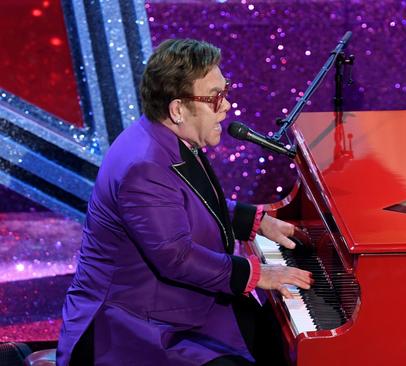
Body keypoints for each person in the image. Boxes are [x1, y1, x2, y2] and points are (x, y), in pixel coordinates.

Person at [56, 38, 312, 366]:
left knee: (268, 333)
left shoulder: (166, 137)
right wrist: (257, 273)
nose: (226, 106)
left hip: (170, 303)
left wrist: (256, 221)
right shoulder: (144, 166)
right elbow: (175, 256)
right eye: (215, 97)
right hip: (132, 324)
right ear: (177, 109)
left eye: (226, 90)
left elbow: (184, 203)